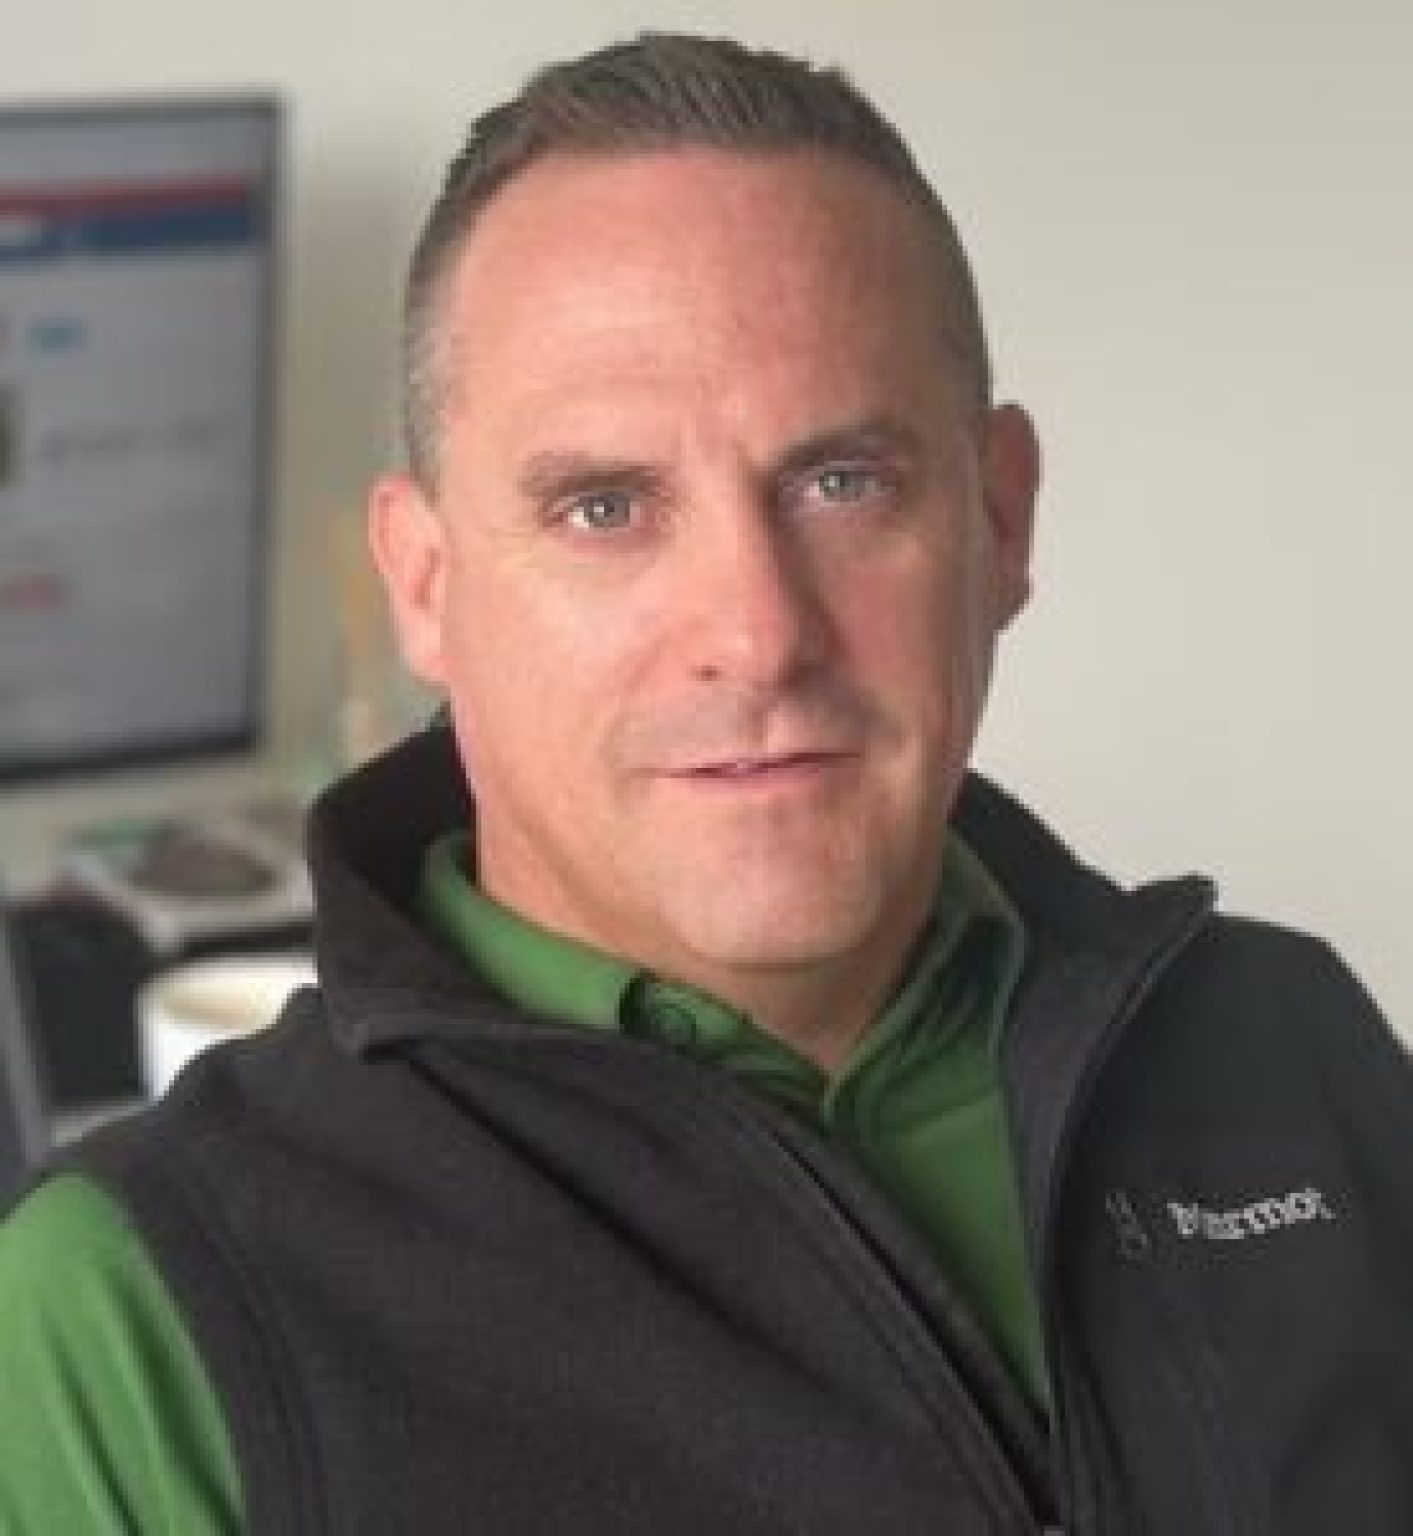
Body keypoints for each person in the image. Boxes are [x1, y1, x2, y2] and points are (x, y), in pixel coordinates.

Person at [2, 32, 1409, 1535]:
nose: (756, 631)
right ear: (424, 583)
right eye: (604, 506)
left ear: (1000, 520)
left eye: (842, 482)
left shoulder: (1288, 1049)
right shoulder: (129, 1319)